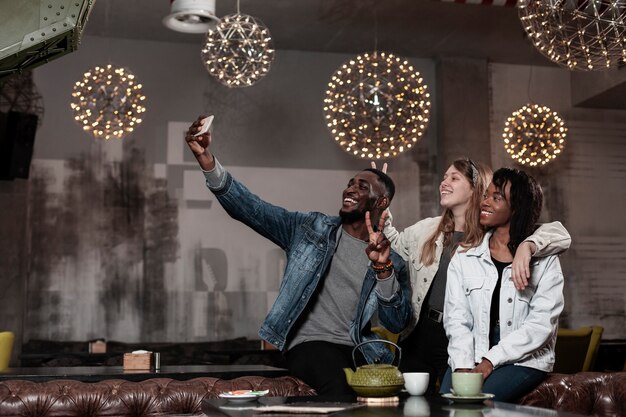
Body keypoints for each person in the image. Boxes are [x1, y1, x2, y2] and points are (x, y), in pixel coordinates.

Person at [184, 116, 412, 396]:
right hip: (309, 343)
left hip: (359, 347)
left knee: (400, 391)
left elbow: (397, 322)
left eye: (362, 187)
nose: (350, 189)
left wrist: (383, 269)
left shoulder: (393, 260)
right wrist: (206, 160)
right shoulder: (309, 229)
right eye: (350, 183)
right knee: (339, 386)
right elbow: (250, 208)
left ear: (382, 202)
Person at [382, 159, 570, 393]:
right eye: (444, 176)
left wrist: (528, 246)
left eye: (454, 177)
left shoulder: (527, 247)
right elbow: (458, 317)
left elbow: (558, 233)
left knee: (473, 401)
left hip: (501, 349)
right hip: (438, 335)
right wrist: (382, 207)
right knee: (438, 402)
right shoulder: (452, 243)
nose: (444, 182)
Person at [441, 167, 565, 402]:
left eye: (496, 198)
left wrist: (490, 361)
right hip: (473, 353)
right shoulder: (465, 256)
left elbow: (541, 325)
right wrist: (462, 365)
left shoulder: (546, 261)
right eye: (486, 195)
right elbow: (456, 319)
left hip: (524, 359)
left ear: (517, 207)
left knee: (478, 402)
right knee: (447, 403)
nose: (484, 202)